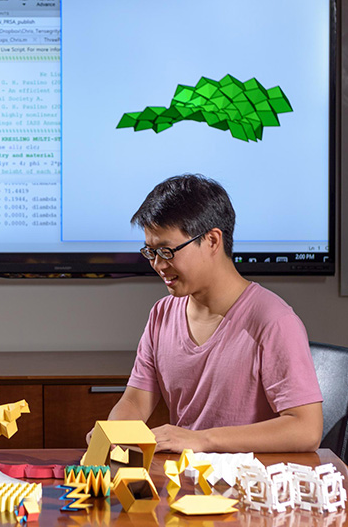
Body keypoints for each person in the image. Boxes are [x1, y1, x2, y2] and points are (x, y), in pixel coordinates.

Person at [97, 174, 323, 454]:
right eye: (150, 252)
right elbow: (135, 402)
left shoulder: (274, 321)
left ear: (213, 240)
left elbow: (306, 429)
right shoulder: (162, 314)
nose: (157, 265)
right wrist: (114, 438)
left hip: (247, 487)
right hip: (187, 482)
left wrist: (202, 440)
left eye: (167, 251)